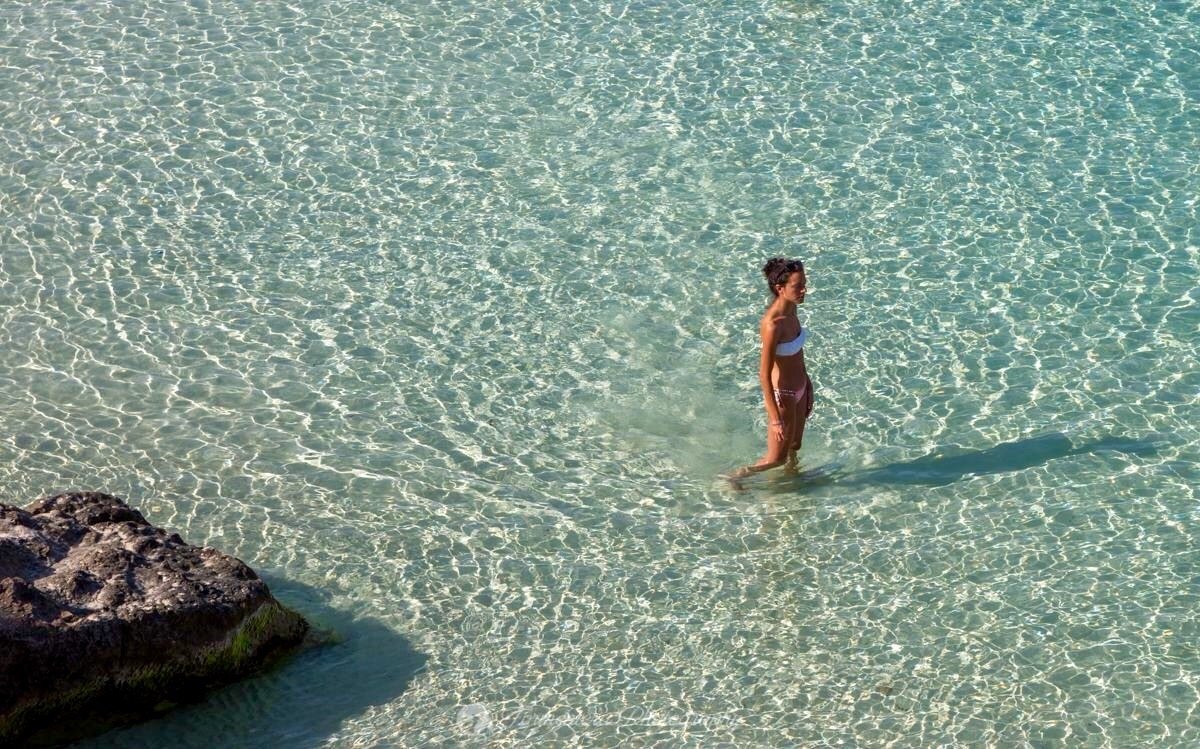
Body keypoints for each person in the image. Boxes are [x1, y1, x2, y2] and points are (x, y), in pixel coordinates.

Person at [729, 257, 814, 479]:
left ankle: (793, 478)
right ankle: (735, 476)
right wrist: (775, 419)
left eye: (805, 283)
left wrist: (808, 385)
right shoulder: (772, 324)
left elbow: (797, 353)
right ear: (780, 288)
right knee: (775, 459)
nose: (804, 290)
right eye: (798, 286)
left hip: (801, 388)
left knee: (795, 445)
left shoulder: (793, 309)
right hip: (783, 396)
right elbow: (764, 375)